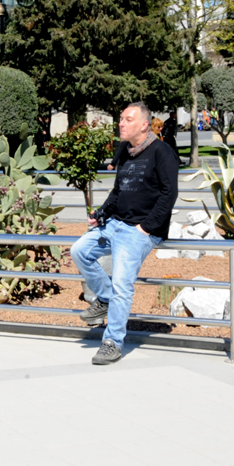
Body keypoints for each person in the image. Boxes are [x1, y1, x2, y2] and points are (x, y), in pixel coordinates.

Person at [71, 102, 179, 365]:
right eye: (121, 119)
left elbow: (169, 194)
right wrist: (101, 214)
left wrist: (146, 227)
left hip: (140, 230)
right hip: (116, 223)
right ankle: (104, 298)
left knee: (122, 284)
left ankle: (112, 342)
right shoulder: (126, 151)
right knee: (80, 251)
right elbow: (119, 191)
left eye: (128, 119)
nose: (121, 123)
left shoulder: (162, 152)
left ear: (144, 125)